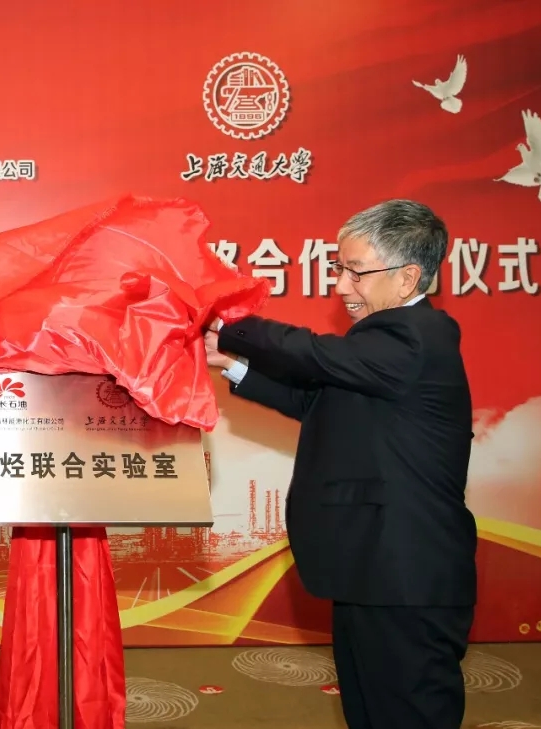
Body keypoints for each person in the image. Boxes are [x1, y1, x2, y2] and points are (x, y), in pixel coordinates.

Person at [204, 199, 477, 729]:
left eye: (355, 271)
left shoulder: (414, 336)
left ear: (407, 277)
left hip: (406, 573)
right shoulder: (388, 344)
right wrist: (233, 364)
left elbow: (312, 354)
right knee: (370, 710)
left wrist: (232, 324)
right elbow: (317, 400)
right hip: (372, 568)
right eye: (338, 268)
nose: (341, 285)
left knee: (408, 713)